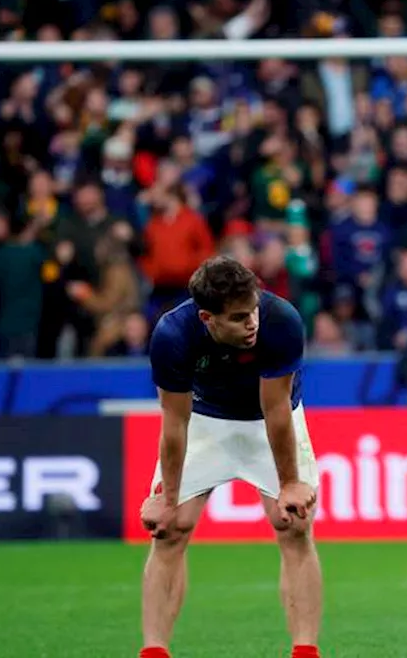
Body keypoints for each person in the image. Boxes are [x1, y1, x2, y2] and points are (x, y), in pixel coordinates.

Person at [138, 255, 322, 658]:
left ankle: (305, 651)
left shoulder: (281, 320)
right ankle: (153, 652)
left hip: (270, 420)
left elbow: (274, 409)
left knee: (293, 525)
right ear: (207, 318)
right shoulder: (173, 334)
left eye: (253, 309)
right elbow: (174, 423)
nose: (252, 322)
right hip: (205, 420)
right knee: (169, 530)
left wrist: (290, 482)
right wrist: (167, 499)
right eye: (239, 318)